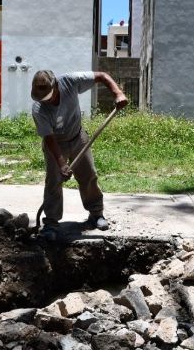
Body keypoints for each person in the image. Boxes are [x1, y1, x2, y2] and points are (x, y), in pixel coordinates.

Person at [31, 70, 127, 241]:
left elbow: (102, 76)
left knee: (88, 175)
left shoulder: (70, 81)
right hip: (56, 143)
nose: (48, 102)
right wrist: (61, 164)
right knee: (54, 181)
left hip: (78, 137)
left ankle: (96, 214)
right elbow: (49, 139)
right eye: (43, 99)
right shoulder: (39, 109)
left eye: (49, 97)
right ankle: (51, 222)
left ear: (56, 86)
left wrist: (117, 93)